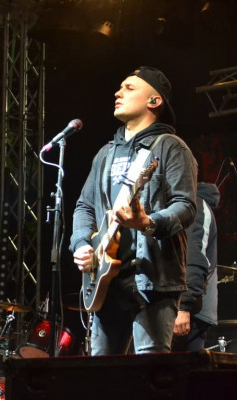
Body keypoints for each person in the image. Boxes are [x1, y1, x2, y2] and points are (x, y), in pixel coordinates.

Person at [70, 66, 198, 355]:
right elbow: (84, 206)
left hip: (153, 279)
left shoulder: (171, 148)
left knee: (149, 372)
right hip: (105, 279)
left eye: (129, 88)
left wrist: (147, 223)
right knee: (102, 374)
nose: (118, 93)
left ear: (154, 100)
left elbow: (186, 206)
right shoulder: (105, 153)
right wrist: (81, 244)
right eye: (119, 87)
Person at [172, 182, 219, 351]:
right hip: (183, 306)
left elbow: (194, 256)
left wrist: (184, 306)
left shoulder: (196, 205)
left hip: (190, 310)